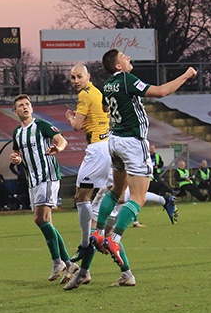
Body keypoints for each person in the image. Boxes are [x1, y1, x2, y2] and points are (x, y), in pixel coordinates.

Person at [69, 49, 196, 290]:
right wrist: (186, 75)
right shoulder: (127, 79)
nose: (129, 59)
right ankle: (114, 239)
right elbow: (161, 91)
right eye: (124, 57)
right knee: (137, 196)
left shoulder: (107, 85)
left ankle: (97, 233)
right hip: (132, 142)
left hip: (114, 141)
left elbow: (106, 110)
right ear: (118, 66)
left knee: (116, 191)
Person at [9, 94, 78, 284]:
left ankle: (58, 262)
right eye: (21, 105)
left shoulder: (41, 125)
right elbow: (18, 153)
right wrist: (17, 159)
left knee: (39, 219)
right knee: (47, 222)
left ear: (31, 108)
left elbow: (61, 140)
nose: (25, 107)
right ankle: (68, 263)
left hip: (47, 176)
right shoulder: (17, 132)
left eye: (27, 104)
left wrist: (59, 149)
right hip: (32, 181)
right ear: (15, 111)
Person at [65, 63, 113, 274]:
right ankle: (107, 235)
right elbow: (106, 110)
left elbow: (76, 126)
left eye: (78, 77)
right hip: (108, 144)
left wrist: (71, 118)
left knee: (81, 196)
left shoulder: (85, 95)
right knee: (113, 193)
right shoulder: (97, 91)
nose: (75, 81)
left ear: (88, 76)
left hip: (97, 150)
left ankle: (86, 243)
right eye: (72, 77)